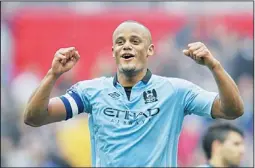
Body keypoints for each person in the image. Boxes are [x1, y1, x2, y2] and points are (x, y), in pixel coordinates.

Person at [24, 20, 244, 167]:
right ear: (114, 52)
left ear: (150, 50)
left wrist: (214, 66)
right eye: (120, 42)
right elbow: (35, 117)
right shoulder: (91, 91)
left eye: (135, 41)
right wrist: (52, 75)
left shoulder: (176, 91)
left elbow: (232, 110)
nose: (126, 46)